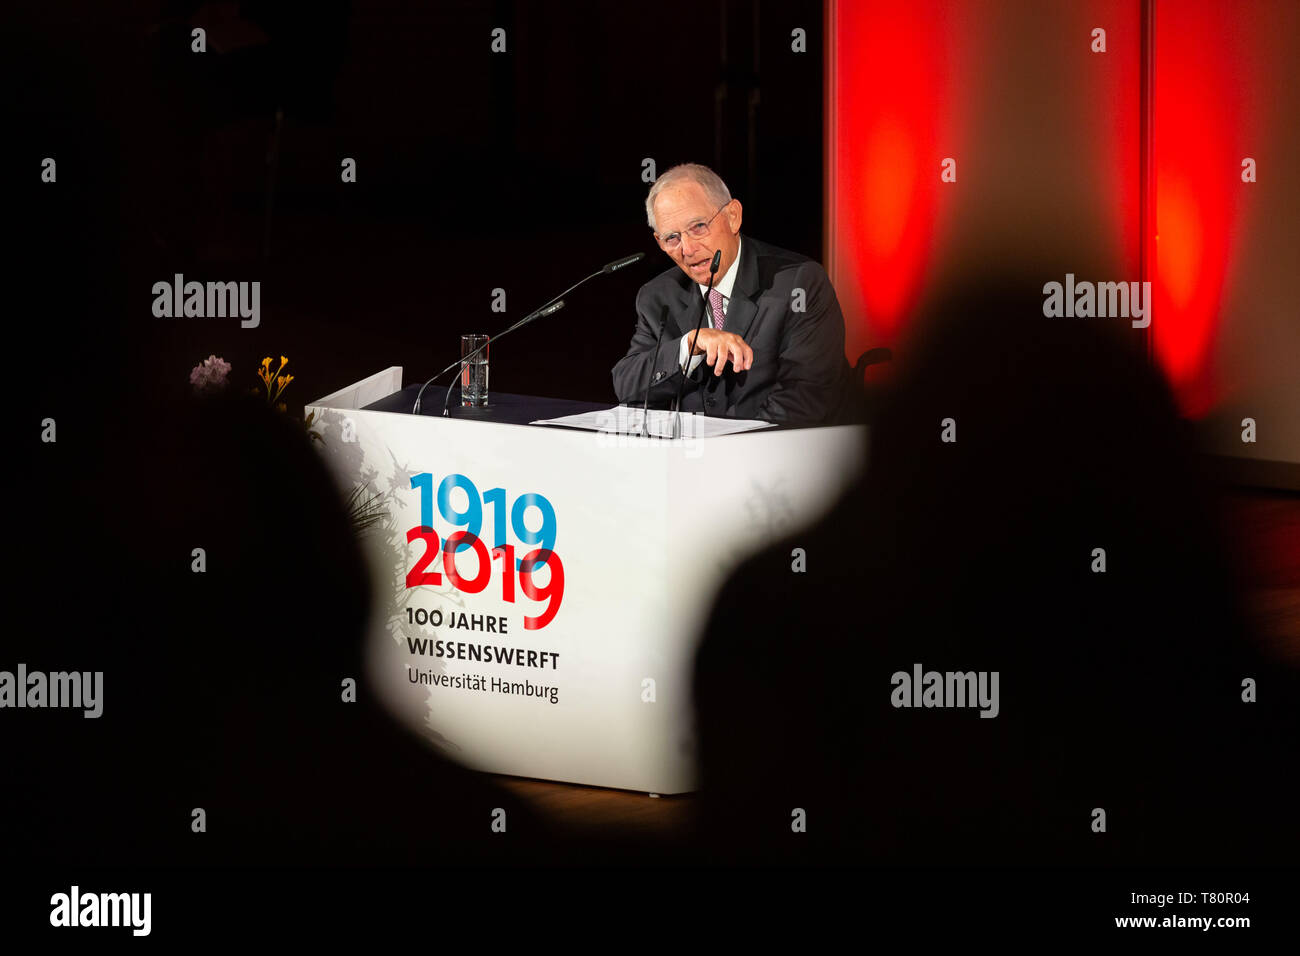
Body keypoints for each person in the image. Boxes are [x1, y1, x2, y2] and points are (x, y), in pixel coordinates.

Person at [611, 163, 856, 427]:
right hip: (690, 460)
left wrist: (727, 452)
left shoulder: (798, 284)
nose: (688, 249)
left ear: (733, 217)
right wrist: (688, 347)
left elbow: (804, 398)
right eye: (672, 238)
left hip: (775, 457)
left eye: (698, 227)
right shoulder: (659, 296)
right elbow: (628, 385)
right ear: (660, 242)